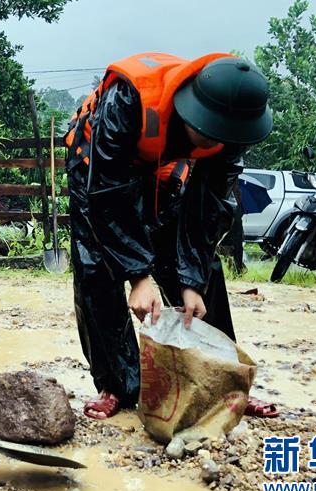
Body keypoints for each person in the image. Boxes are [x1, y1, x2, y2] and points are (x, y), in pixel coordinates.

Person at [64, 53, 278, 420]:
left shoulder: (234, 127)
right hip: (96, 168)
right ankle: (117, 384)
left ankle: (225, 381)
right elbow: (109, 194)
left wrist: (190, 280)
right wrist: (138, 276)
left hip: (164, 167)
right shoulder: (127, 99)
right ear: (190, 111)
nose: (215, 142)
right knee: (96, 267)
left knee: (201, 268)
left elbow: (208, 208)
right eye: (208, 133)